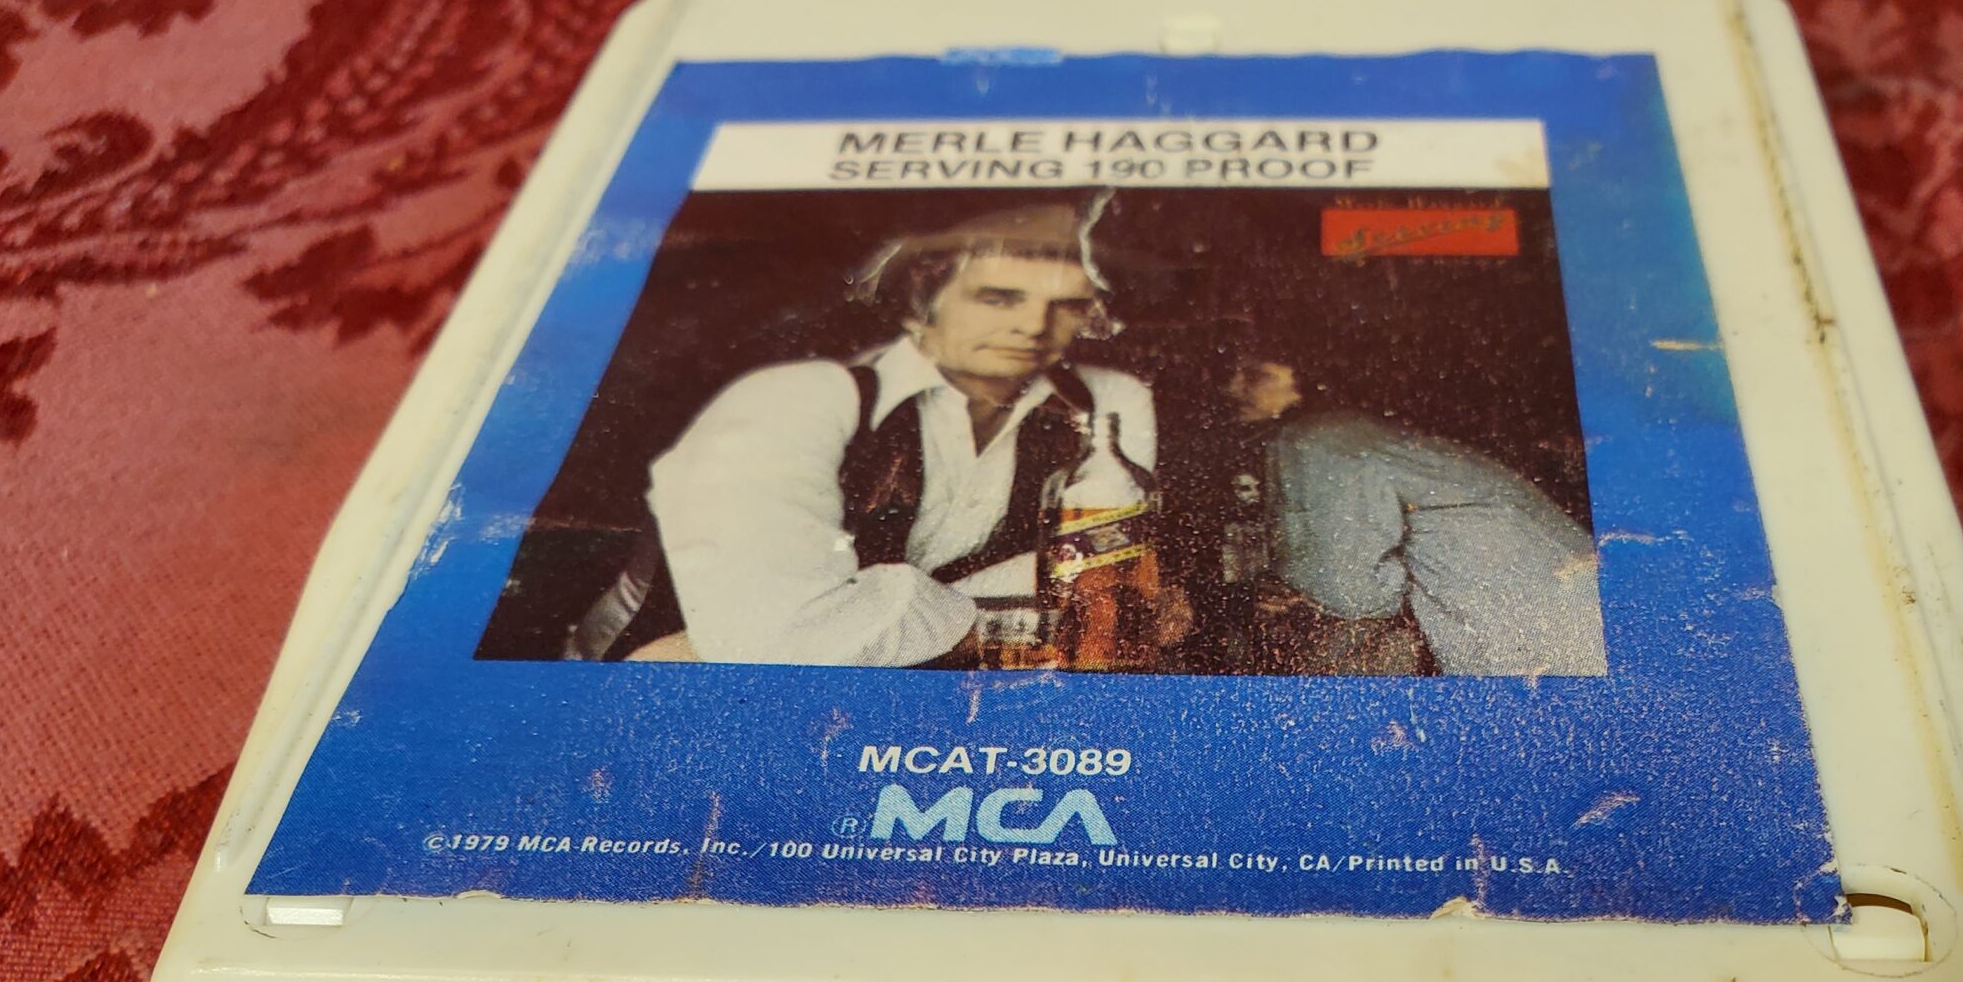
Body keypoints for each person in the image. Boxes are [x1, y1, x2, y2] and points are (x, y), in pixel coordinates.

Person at [595, 201, 1162, 665]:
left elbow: (1101, 590)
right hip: (669, 695)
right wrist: (1031, 616)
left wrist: (887, 619)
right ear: (921, 304)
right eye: (997, 299)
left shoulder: (1105, 402)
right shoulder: (796, 399)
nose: (1034, 326)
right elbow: (780, 638)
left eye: (1066, 305)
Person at [1225, 359, 1607, 678]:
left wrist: (1291, 593)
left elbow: (1349, 591)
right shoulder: (1365, 434)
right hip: (1581, 625)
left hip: (1543, 647)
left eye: (1251, 373)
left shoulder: (1312, 440)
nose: (1232, 386)